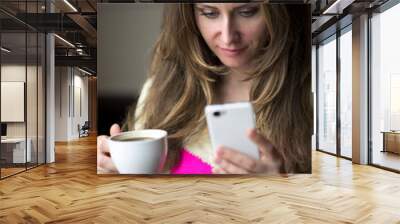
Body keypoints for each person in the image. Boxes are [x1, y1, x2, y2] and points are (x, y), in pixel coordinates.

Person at [97, 3, 312, 174]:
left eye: (247, 12)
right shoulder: (159, 90)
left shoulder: (314, 98)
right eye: (209, 13)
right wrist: (117, 173)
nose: (228, 37)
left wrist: (281, 191)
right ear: (190, 15)